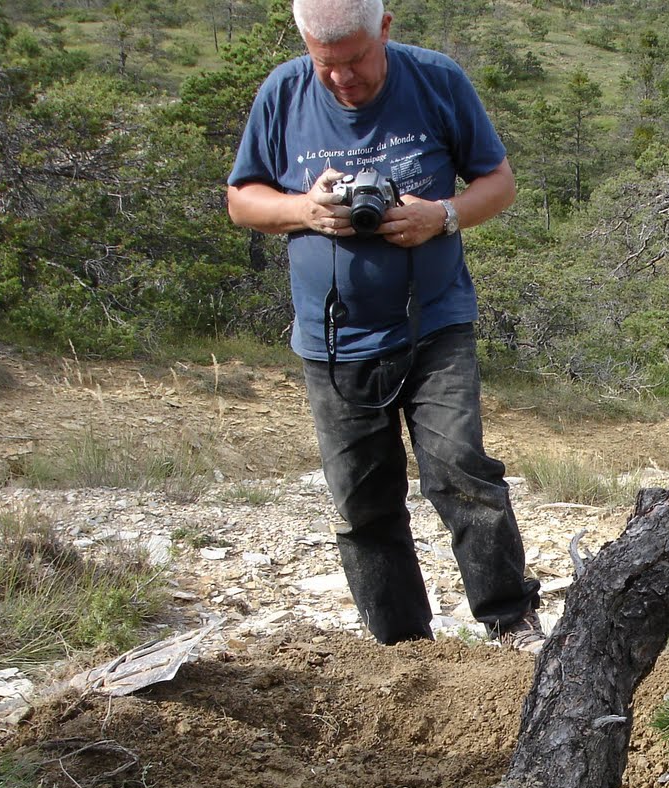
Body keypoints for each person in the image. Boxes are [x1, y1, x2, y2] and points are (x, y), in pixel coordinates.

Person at [225, 0, 543, 649]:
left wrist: (441, 216)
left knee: (461, 471)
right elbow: (241, 200)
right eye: (327, 65)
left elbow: (500, 183)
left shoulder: (435, 79)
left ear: (386, 30)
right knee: (361, 501)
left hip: (436, 322)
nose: (343, 79)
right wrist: (303, 209)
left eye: (357, 61)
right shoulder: (283, 93)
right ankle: (404, 651)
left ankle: (512, 623)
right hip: (333, 340)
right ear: (306, 47)